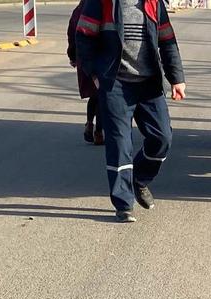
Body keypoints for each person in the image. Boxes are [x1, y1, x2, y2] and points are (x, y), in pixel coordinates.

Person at [74, 0, 186, 223]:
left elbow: (167, 40)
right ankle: (124, 204)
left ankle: (140, 178)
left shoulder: (154, 3)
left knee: (162, 137)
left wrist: (177, 78)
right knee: (119, 144)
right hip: (115, 83)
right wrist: (95, 75)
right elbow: (83, 36)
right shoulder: (102, 3)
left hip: (148, 84)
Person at [66, 2, 103, 145]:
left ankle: (89, 123)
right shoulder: (102, 7)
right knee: (102, 95)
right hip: (101, 58)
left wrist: (72, 56)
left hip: (83, 60)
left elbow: (72, 35)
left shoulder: (78, 11)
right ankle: (99, 132)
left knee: (94, 95)